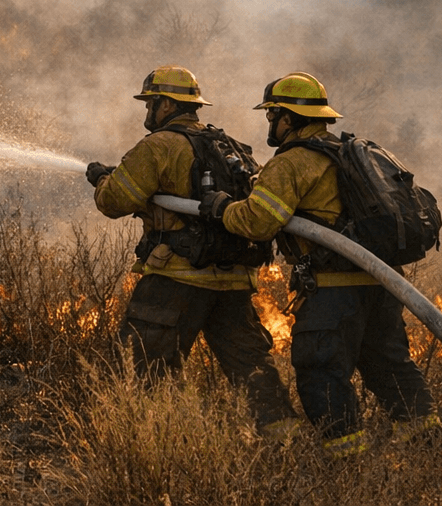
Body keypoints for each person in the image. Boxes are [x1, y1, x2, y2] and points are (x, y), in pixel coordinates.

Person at [203, 72, 439, 458]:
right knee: (390, 367)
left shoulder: (293, 163)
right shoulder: (347, 154)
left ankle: (345, 465)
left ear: (290, 118)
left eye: (273, 115)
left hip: (333, 292)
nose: (270, 123)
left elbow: (258, 223)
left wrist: (222, 209)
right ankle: (428, 448)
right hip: (381, 286)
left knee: (321, 372)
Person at [89, 66, 298, 436]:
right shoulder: (229, 145)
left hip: (175, 280)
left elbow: (114, 200)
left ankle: (145, 441)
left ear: (166, 104)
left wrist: (102, 178)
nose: (148, 112)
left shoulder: (158, 146)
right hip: (232, 279)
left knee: (142, 368)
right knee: (251, 365)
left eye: (151, 103)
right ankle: (284, 439)